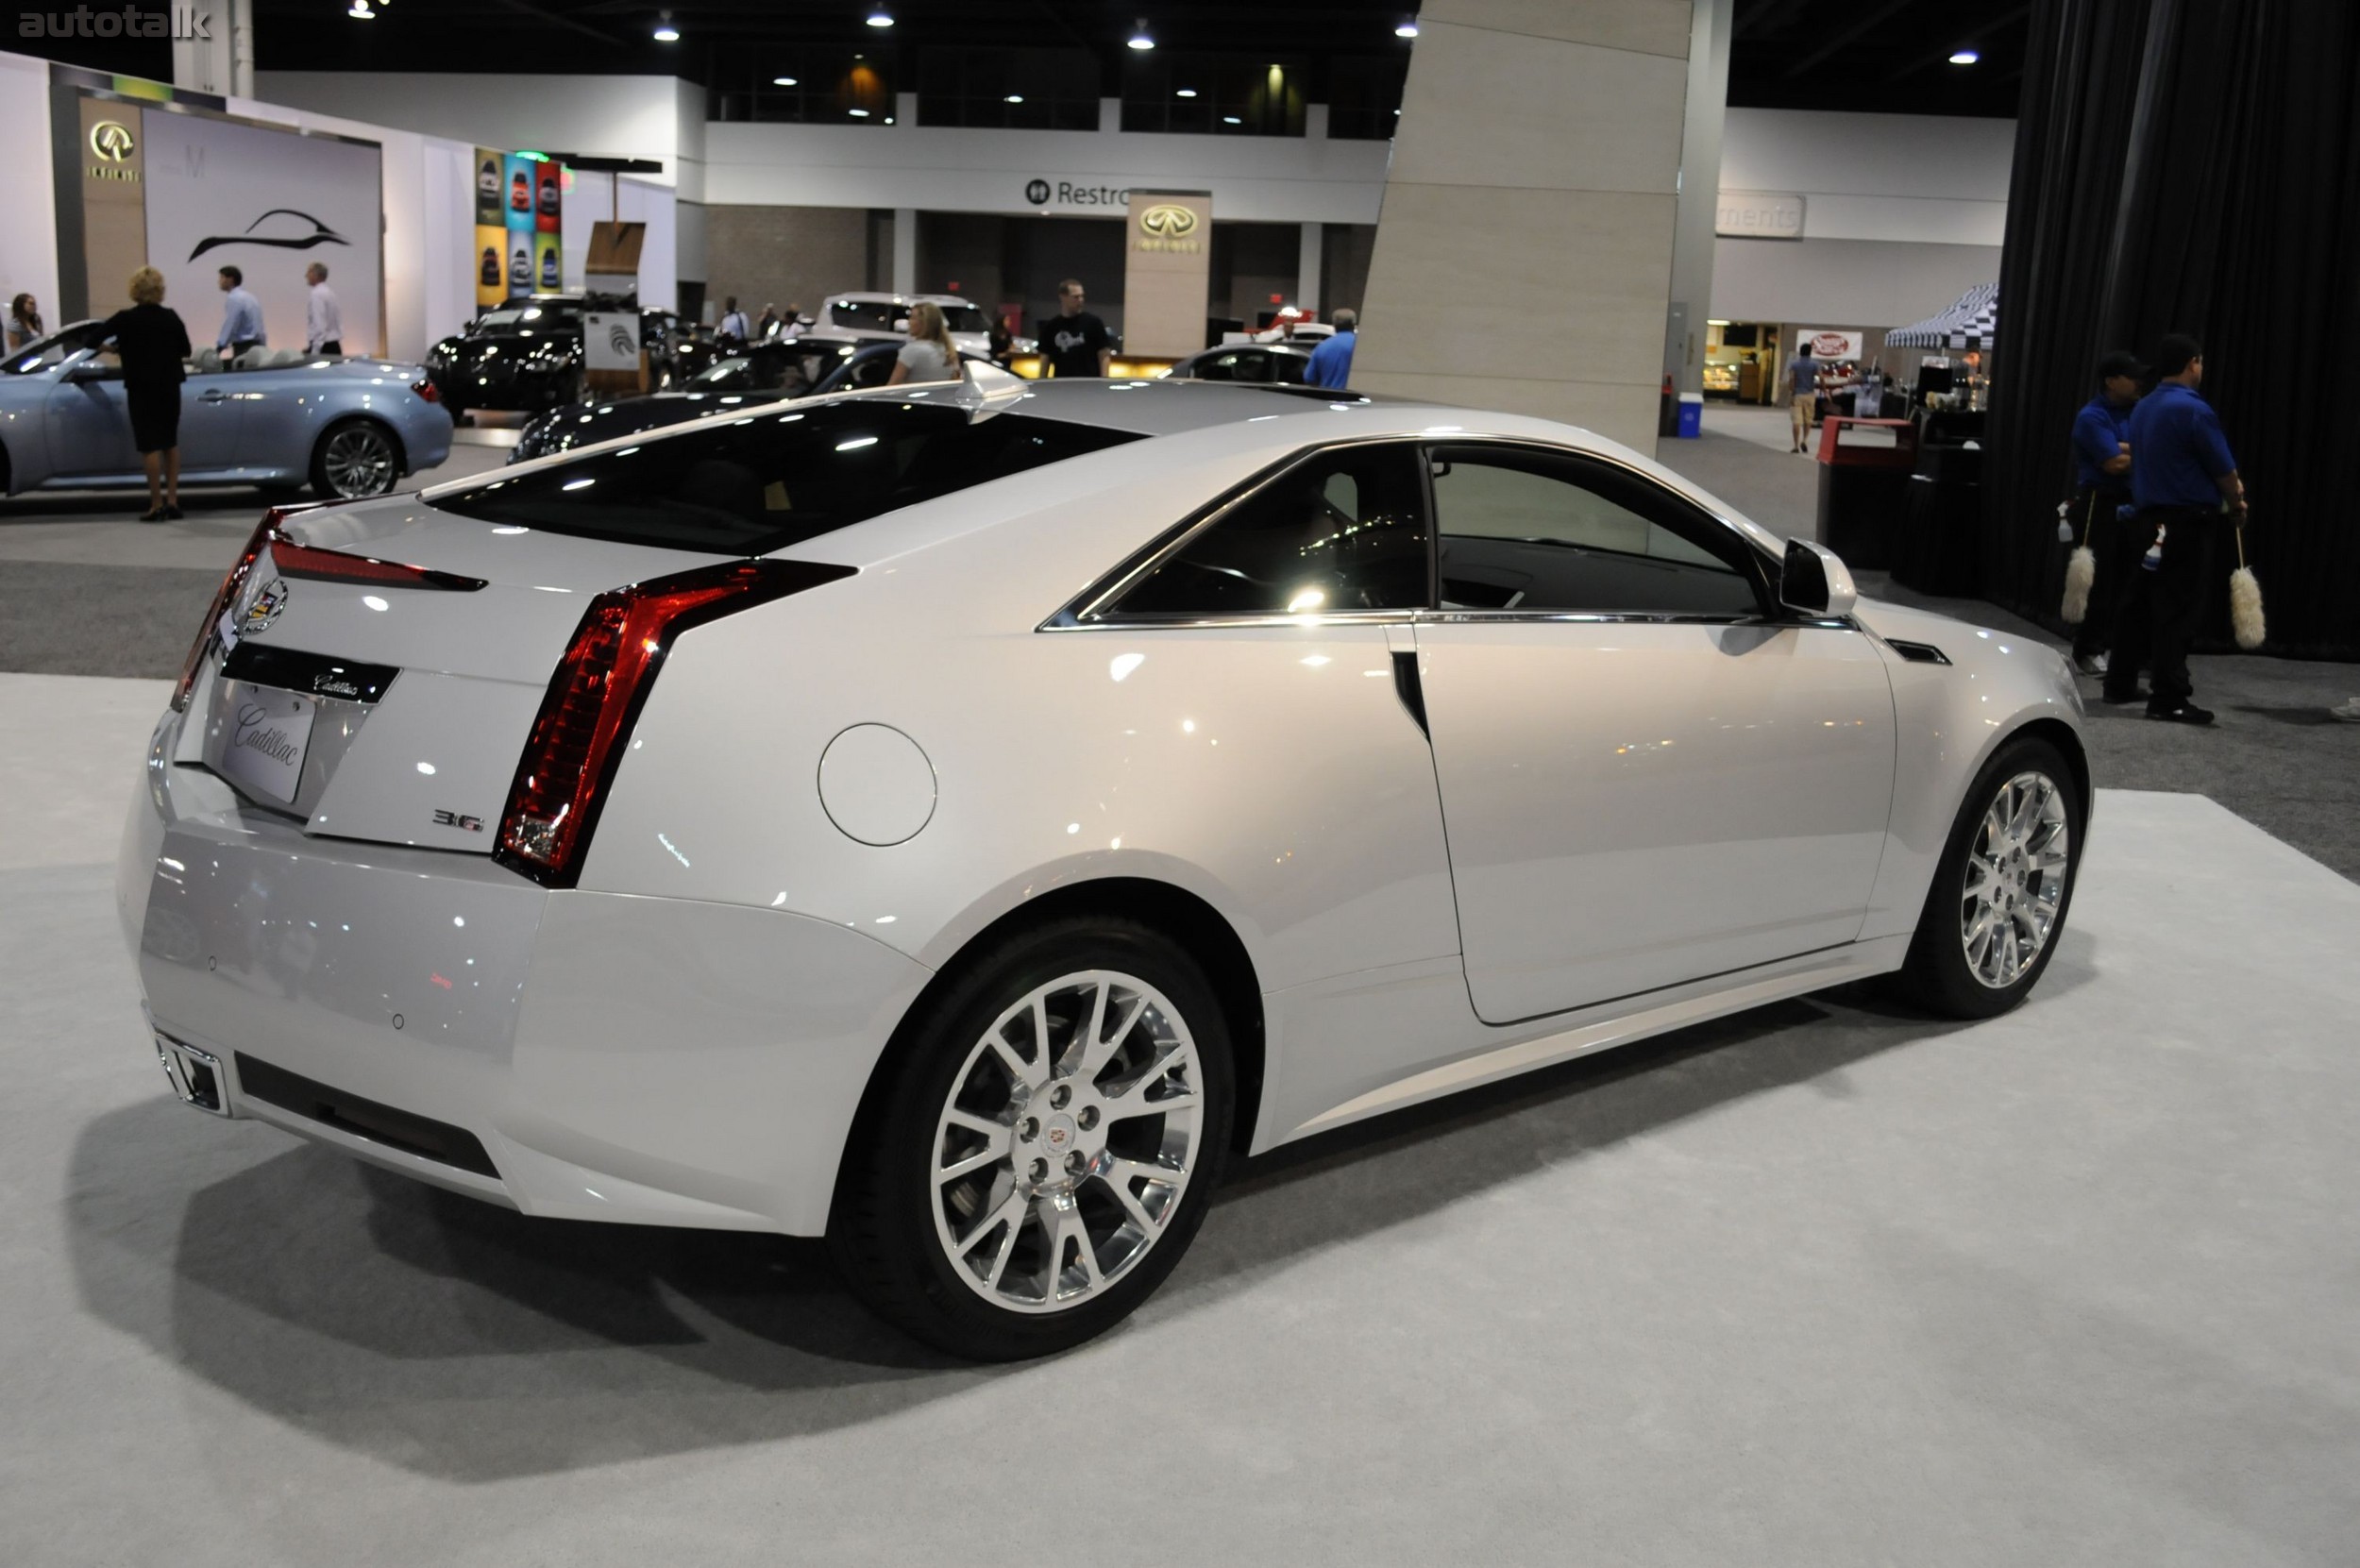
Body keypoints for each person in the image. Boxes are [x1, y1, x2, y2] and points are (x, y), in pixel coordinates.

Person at [2102, 333, 2248, 725]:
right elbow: (2222, 468)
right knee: (2177, 608)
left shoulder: (2145, 408)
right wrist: (2236, 501)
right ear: (2193, 364)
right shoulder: (2194, 411)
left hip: (2148, 520)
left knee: (2139, 602)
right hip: (2185, 520)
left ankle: (2119, 682)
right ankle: (2169, 696)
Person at [2065, 350, 2144, 676]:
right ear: (2112, 381)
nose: (2139, 382)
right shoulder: (2092, 416)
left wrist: (2126, 448)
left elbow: (2126, 451)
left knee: (2128, 578)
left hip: (2131, 502)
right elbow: (2113, 463)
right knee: (2099, 580)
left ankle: (2114, 647)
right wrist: (2144, 452)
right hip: (2099, 503)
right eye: (2132, 376)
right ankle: (2087, 649)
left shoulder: (2136, 412)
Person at [103, 266, 192, 523]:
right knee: (170, 442)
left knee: (149, 445)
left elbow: (90, 340)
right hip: (169, 386)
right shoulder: (171, 317)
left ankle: (156, 504)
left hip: (141, 388)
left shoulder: (125, 318)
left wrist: (115, 348)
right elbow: (185, 350)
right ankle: (173, 501)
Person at [1039, 278, 1110, 379]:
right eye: (1076, 297)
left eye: (1082, 296)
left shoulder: (1093, 323)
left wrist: (1104, 379)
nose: (1080, 300)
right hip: (1061, 382)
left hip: (1089, 382)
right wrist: (1042, 381)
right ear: (1063, 297)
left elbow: (1104, 354)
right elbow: (1045, 357)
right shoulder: (1051, 326)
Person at [887, 301, 959, 385]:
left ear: (924, 323)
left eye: (913, 318)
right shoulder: (948, 350)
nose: (909, 322)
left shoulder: (911, 350)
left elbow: (892, 387)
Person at [215, 265, 263, 360]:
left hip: (243, 348)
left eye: (221, 277)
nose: (219, 281)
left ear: (230, 280)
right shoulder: (251, 297)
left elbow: (231, 324)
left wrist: (220, 346)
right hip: (258, 347)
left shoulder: (234, 298)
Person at [1306, 307, 1357, 389]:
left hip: (1327, 397)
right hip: (1355, 397)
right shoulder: (1359, 346)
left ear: (1335, 325)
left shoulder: (1322, 347)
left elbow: (1309, 378)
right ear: (1353, 324)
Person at [303, 261, 343, 355]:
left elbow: (319, 324)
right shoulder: (330, 293)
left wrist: (315, 350)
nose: (306, 276)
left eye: (309, 272)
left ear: (316, 275)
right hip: (334, 345)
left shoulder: (316, 294)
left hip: (324, 347)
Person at [1785, 346, 1819, 451]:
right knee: (1808, 420)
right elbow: (1821, 378)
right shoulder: (1815, 364)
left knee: (1796, 421)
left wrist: (1791, 393)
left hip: (1797, 395)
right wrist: (1825, 391)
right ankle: (1804, 440)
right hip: (1809, 394)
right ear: (1810, 352)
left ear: (1800, 352)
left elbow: (1792, 379)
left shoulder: (1794, 364)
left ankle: (1795, 446)